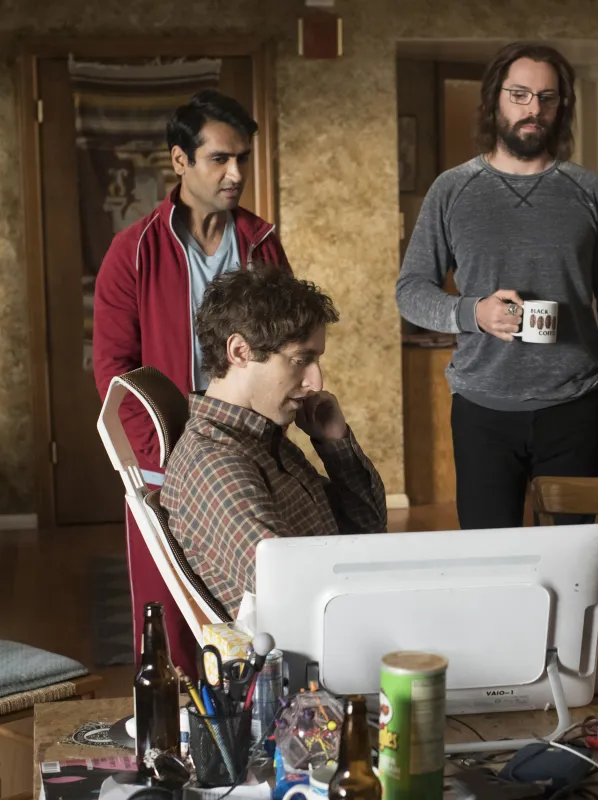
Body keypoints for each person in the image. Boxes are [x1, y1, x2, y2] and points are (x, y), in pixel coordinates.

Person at [395, 42, 598, 530]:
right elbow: (411, 290)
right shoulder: (452, 190)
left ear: (561, 107)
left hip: (574, 407)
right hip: (482, 409)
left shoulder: (591, 191)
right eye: (519, 95)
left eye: (546, 98)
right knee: (491, 560)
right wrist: (473, 313)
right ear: (495, 100)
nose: (534, 109)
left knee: (573, 557)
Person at [93, 90, 290, 670]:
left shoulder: (261, 245)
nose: (236, 174)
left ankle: (253, 719)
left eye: (243, 158)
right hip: (165, 460)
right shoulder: (133, 252)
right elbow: (115, 371)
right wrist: (161, 456)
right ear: (180, 160)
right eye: (219, 159)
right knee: (171, 621)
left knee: (257, 609)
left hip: (249, 451)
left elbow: (286, 346)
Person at [160, 267, 387, 617]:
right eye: (301, 360)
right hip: (321, 639)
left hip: (348, 615)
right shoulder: (216, 463)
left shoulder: (262, 438)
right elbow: (296, 593)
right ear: (240, 351)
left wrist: (335, 444)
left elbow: (368, 528)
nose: (316, 382)